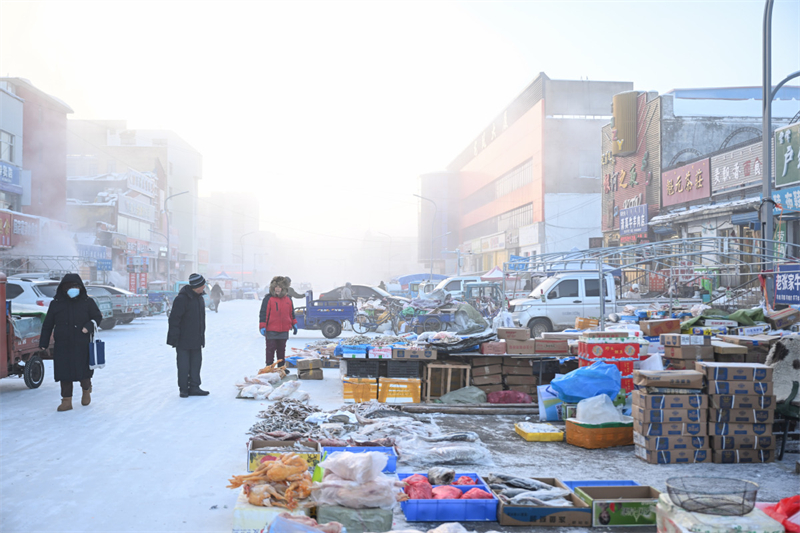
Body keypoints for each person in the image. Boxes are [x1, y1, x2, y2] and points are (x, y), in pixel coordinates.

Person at [39, 273, 103, 412]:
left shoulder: (87, 302)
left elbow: (97, 317)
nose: (73, 289)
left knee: (83, 372)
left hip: (82, 344)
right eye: (69, 286)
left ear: (80, 287)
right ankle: (66, 401)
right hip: (62, 344)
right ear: (63, 288)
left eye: (76, 286)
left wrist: (89, 326)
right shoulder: (56, 304)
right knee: (64, 373)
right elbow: (48, 324)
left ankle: (86, 390)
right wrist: (43, 342)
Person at [167, 273, 209, 398]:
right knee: (184, 365)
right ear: (196, 286)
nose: (204, 287)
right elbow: (174, 320)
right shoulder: (182, 299)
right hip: (183, 339)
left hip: (196, 337)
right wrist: (174, 339)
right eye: (202, 285)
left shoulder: (199, 298)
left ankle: (195, 387)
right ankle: (184, 389)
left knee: (196, 364)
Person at [259, 276, 297, 368]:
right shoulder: (268, 299)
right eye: (275, 287)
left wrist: (294, 323)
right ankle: (269, 367)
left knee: (281, 350)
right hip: (271, 329)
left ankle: (281, 368)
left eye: (279, 287)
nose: (277, 289)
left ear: (283, 288)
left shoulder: (288, 299)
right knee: (270, 350)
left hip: (284, 329)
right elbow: (263, 313)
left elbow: (291, 313)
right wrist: (262, 326)